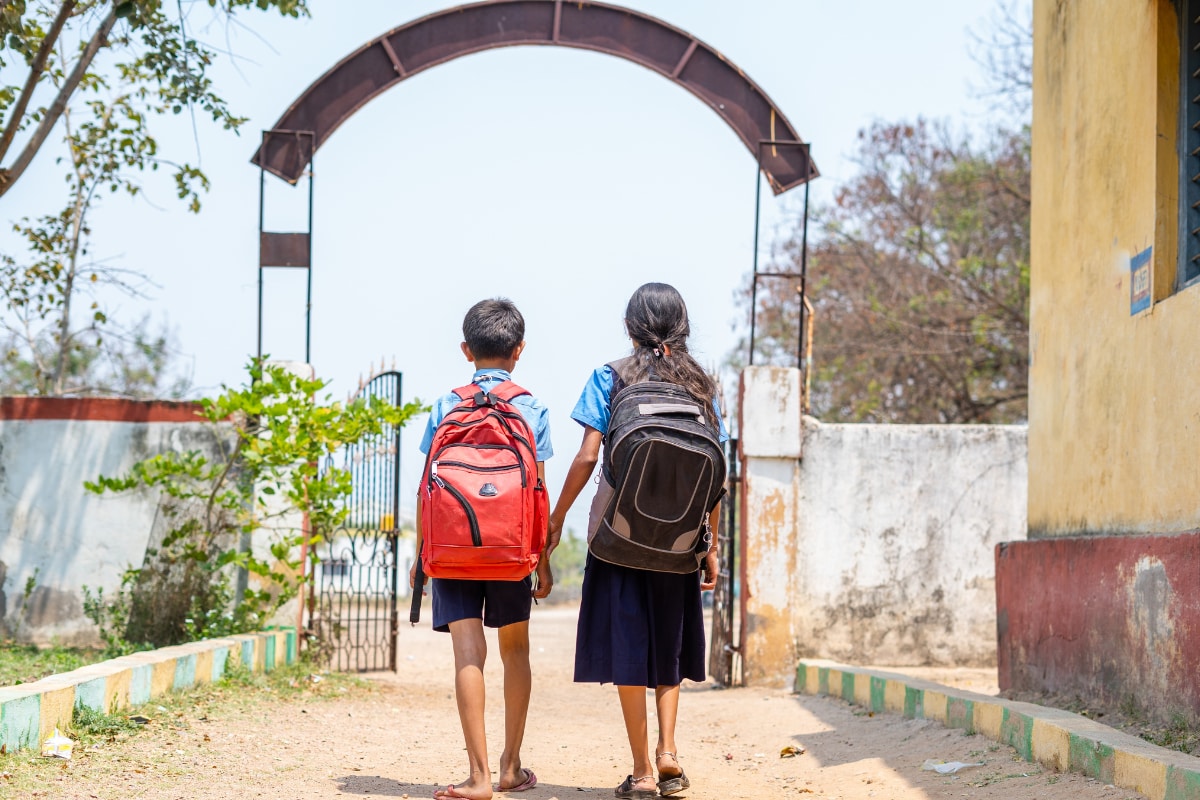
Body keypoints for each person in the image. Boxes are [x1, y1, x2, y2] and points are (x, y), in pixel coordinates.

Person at [545, 282, 726, 799]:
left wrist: (557, 520)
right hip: (679, 545)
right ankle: (670, 751)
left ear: (630, 328)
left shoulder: (610, 377)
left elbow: (585, 457)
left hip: (619, 538)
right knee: (667, 646)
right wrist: (710, 548)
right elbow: (718, 472)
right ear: (683, 327)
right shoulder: (701, 387)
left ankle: (643, 771)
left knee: (629, 648)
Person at [410, 297, 554, 800]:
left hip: (452, 546)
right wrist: (544, 557)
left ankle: (478, 778)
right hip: (512, 549)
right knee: (515, 652)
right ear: (519, 351)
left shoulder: (445, 405)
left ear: (466, 349)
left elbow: (427, 485)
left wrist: (420, 555)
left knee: (468, 652)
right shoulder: (531, 407)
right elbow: (537, 487)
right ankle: (510, 766)